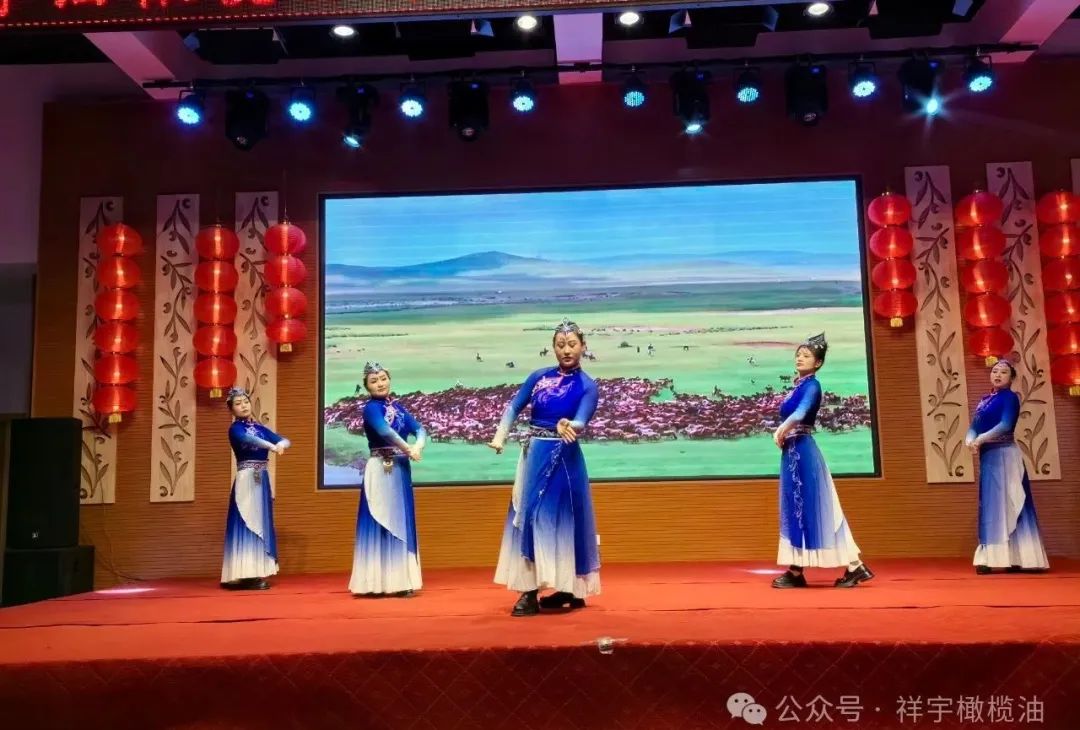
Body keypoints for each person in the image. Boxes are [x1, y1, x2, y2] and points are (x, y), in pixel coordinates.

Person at [489, 319, 601, 616]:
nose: (566, 350)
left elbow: (581, 421)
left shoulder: (588, 386)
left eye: (572, 344)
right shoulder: (538, 377)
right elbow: (514, 406)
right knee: (528, 517)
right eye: (560, 345)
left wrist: (569, 424)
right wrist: (500, 436)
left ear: (583, 346)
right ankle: (530, 589)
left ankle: (569, 587)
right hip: (534, 454)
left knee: (564, 519)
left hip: (565, 459)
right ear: (553, 347)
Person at [771, 334, 873, 589]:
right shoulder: (799, 386)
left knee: (814, 507)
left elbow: (801, 413)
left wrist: (781, 429)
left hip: (802, 452)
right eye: (798, 354)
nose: (799, 358)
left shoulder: (812, 386)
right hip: (793, 452)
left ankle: (841, 566)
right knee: (801, 509)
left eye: (806, 356)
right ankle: (809, 569)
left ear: (817, 363)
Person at [965, 359, 1049, 574]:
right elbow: (974, 426)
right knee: (991, 505)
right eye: (994, 371)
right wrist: (970, 440)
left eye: (1003, 372)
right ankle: (993, 557)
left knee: (1013, 501)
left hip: (1006, 455)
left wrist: (980, 439)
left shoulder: (1011, 398)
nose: (997, 375)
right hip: (988, 457)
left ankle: (1021, 557)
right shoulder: (984, 401)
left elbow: (1005, 425)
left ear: (1011, 378)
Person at [349, 362, 427, 596]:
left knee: (399, 520)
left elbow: (420, 428)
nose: (380, 383)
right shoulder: (371, 409)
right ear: (367, 387)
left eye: (383, 378)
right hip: (380, 467)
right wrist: (408, 448)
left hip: (400, 468)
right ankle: (373, 583)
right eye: (374, 381)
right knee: (379, 518)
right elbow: (385, 431)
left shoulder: (398, 407)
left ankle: (399, 581)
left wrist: (418, 446)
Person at [221, 387, 289, 590]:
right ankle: (243, 573)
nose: (243, 406)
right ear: (231, 409)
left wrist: (281, 444)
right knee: (247, 520)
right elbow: (249, 440)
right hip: (247, 478)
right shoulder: (235, 429)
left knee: (260, 522)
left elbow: (284, 439)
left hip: (261, 478)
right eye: (238, 403)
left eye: (246, 402)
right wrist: (271, 446)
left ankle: (254, 571)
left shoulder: (259, 428)